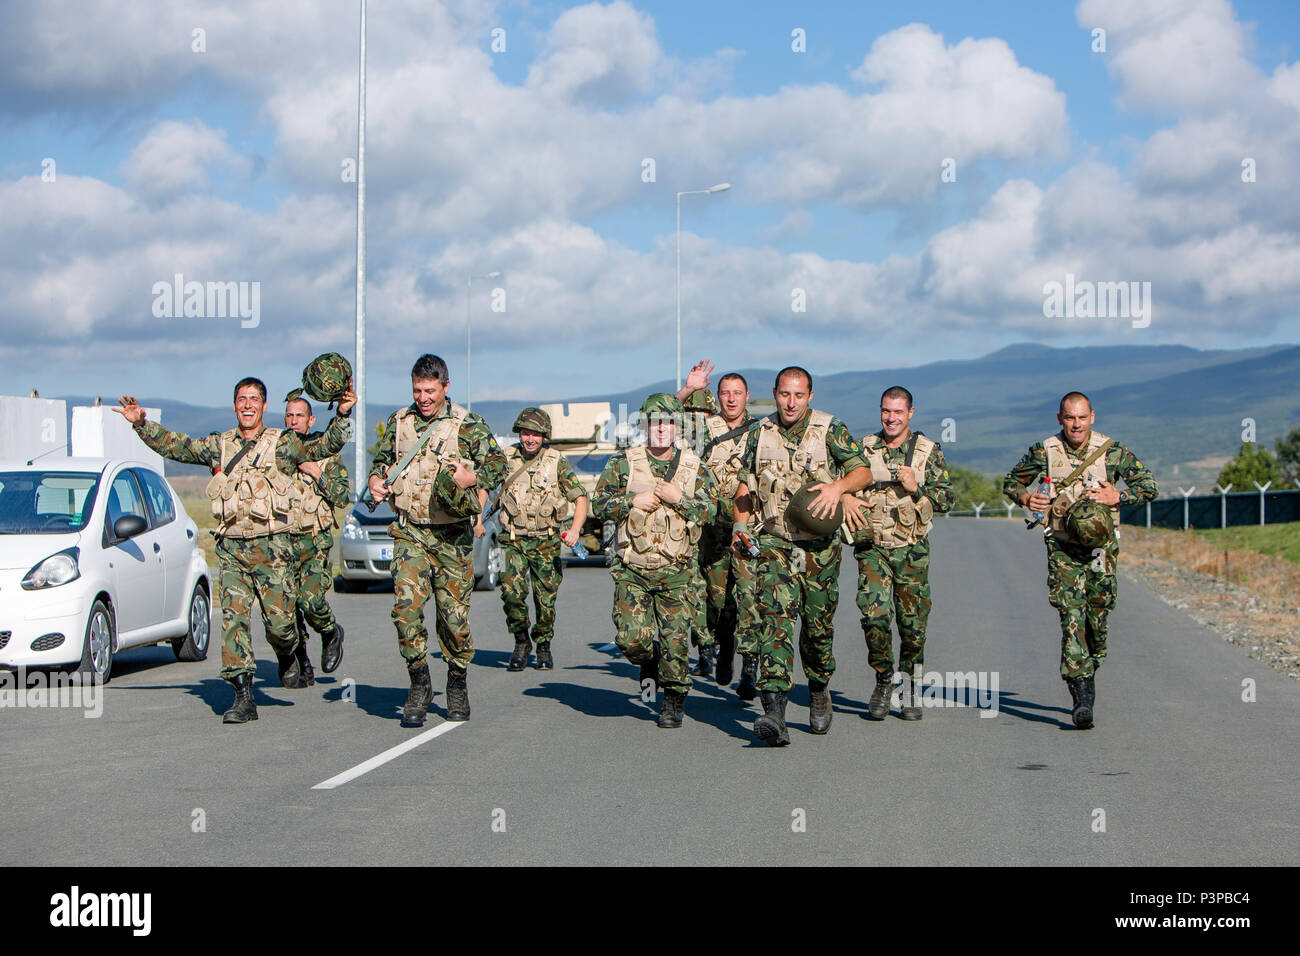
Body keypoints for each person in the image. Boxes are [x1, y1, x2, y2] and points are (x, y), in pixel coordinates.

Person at [113, 377, 355, 724]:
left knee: (281, 624)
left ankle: (289, 652)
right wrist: (141, 423)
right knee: (233, 620)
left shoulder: (283, 444)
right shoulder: (220, 445)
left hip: (273, 549)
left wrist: (343, 413)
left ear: (263, 406)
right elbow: (177, 447)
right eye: (241, 399)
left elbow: (324, 446)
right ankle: (243, 696)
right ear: (234, 406)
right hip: (231, 552)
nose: (247, 405)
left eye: (253, 399)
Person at [1002, 391, 1158, 728]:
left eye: (1082, 417)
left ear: (1092, 417)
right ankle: (1081, 694)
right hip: (1063, 548)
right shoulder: (1044, 451)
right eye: (1070, 418)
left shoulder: (1111, 451)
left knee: (1097, 622)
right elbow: (1011, 482)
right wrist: (1028, 497)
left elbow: (1149, 485)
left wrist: (1120, 494)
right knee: (1071, 617)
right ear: (1060, 419)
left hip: (1102, 551)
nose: (1076, 424)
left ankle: (1089, 666)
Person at [732, 367, 871, 745]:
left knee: (816, 627)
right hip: (776, 541)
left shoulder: (829, 429)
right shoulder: (759, 433)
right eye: (784, 395)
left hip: (819, 547)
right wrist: (740, 526)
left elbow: (863, 470)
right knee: (774, 621)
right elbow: (745, 485)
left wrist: (838, 488)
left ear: (809, 396)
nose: (790, 403)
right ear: (774, 394)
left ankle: (819, 687)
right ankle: (774, 711)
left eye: (798, 395)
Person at [368, 354, 506, 727]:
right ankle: (419, 683)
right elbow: (381, 463)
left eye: (430, 390)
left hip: (451, 536)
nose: (423, 397)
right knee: (405, 612)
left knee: (454, 618)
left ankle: (457, 680)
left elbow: (498, 465)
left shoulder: (466, 424)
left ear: (446, 387)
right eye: (417, 390)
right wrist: (375, 481)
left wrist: (470, 477)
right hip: (410, 532)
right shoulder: (400, 422)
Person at [591, 393, 717, 728]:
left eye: (669, 423)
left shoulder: (693, 467)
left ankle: (673, 700)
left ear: (678, 427)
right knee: (632, 640)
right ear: (645, 425)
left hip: (677, 570)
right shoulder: (624, 463)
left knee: (675, 641)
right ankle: (648, 660)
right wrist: (633, 500)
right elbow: (599, 504)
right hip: (633, 567)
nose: (661, 429)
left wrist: (680, 501)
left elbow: (712, 510)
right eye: (655, 422)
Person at [842, 386, 954, 720]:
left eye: (898, 412)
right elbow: (839, 482)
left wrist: (916, 487)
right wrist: (846, 497)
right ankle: (883, 679)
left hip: (911, 550)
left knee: (913, 626)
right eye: (886, 412)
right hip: (873, 548)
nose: (892, 418)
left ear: (910, 413)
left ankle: (908, 687)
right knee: (873, 617)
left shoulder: (927, 451)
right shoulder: (863, 449)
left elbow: (947, 500)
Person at [496, 407, 589, 671]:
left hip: (546, 542)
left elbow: (580, 498)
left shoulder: (556, 461)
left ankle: (544, 645)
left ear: (544, 435)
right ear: (519, 432)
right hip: (514, 539)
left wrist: (575, 530)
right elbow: (482, 483)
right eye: (526, 433)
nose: (530, 439)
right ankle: (521, 641)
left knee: (545, 600)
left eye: (536, 434)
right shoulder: (507, 458)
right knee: (511, 593)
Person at [693, 372, 761, 696]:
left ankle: (750, 669)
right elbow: (662, 422)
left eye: (737, 393)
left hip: (748, 530)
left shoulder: (763, 432)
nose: (731, 399)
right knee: (718, 601)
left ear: (748, 395)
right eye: (724, 393)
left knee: (750, 597)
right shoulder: (703, 431)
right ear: (717, 397)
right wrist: (690, 389)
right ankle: (725, 642)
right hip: (713, 533)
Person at [283, 397, 350, 685]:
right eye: (289, 415)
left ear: (311, 420)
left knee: (309, 602)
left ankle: (330, 631)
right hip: (281, 542)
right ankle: (301, 661)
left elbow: (341, 496)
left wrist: (317, 472)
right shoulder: (278, 455)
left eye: (300, 415)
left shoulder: (326, 452)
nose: (294, 420)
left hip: (313, 542)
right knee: (286, 608)